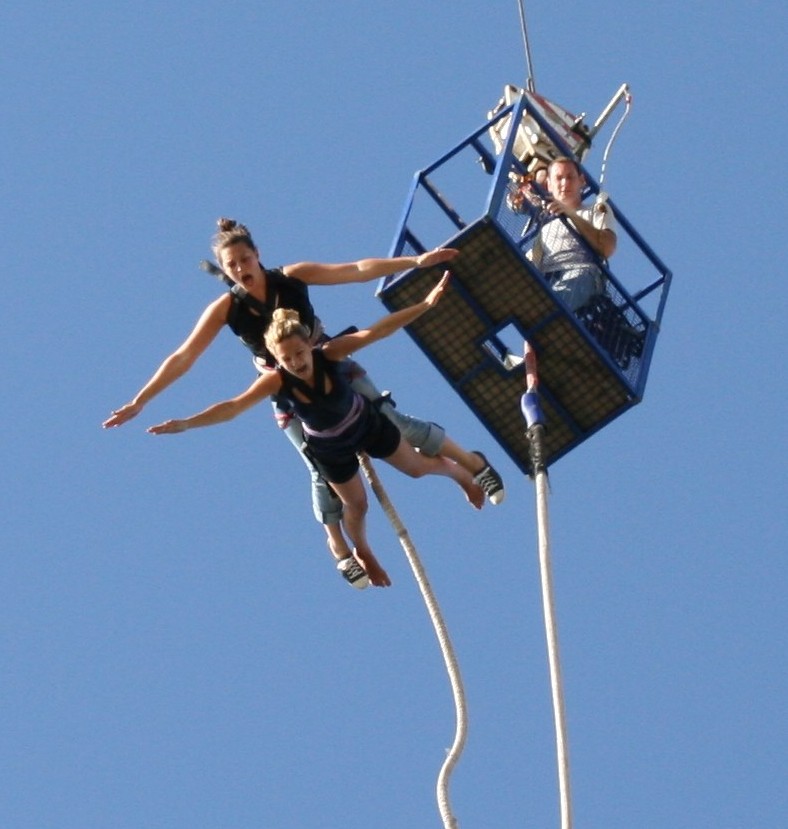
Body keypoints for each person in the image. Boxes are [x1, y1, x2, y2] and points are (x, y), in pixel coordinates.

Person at [103, 219, 505, 580]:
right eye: (232, 266)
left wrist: (415, 263)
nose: (242, 270)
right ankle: (341, 547)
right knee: (319, 465)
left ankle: (470, 465)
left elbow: (356, 271)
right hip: (284, 387)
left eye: (245, 259)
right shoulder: (228, 309)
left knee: (393, 424)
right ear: (226, 272)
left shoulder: (291, 278)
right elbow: (184, 356)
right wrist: (143, 400)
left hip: (327, 361)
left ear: (258, 255)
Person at [147, 273, 484, 589]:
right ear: (277, 361)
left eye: (298, 353)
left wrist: (425, 305)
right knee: (356, 505)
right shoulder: (276, 380)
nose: (296, 362)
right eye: (287, 359)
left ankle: (461, 473)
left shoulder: (329, 354)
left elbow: (376, 332)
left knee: (416, 467)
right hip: (330, 448)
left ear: (309, 344)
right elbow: (234, 407)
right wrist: (187, 423)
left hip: (364, 424)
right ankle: (358, 550)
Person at [527, 156, 617, 312]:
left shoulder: (595, 209)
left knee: (561, 297)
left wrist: (571, 215)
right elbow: (532, 260)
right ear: (549, 185)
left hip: (582, 273)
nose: (564, 183)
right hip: (548, 278)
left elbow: (607, 247)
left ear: (581, 181)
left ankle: (549, 319)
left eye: (570, 177)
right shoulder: (546, 228)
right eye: (559, 178)